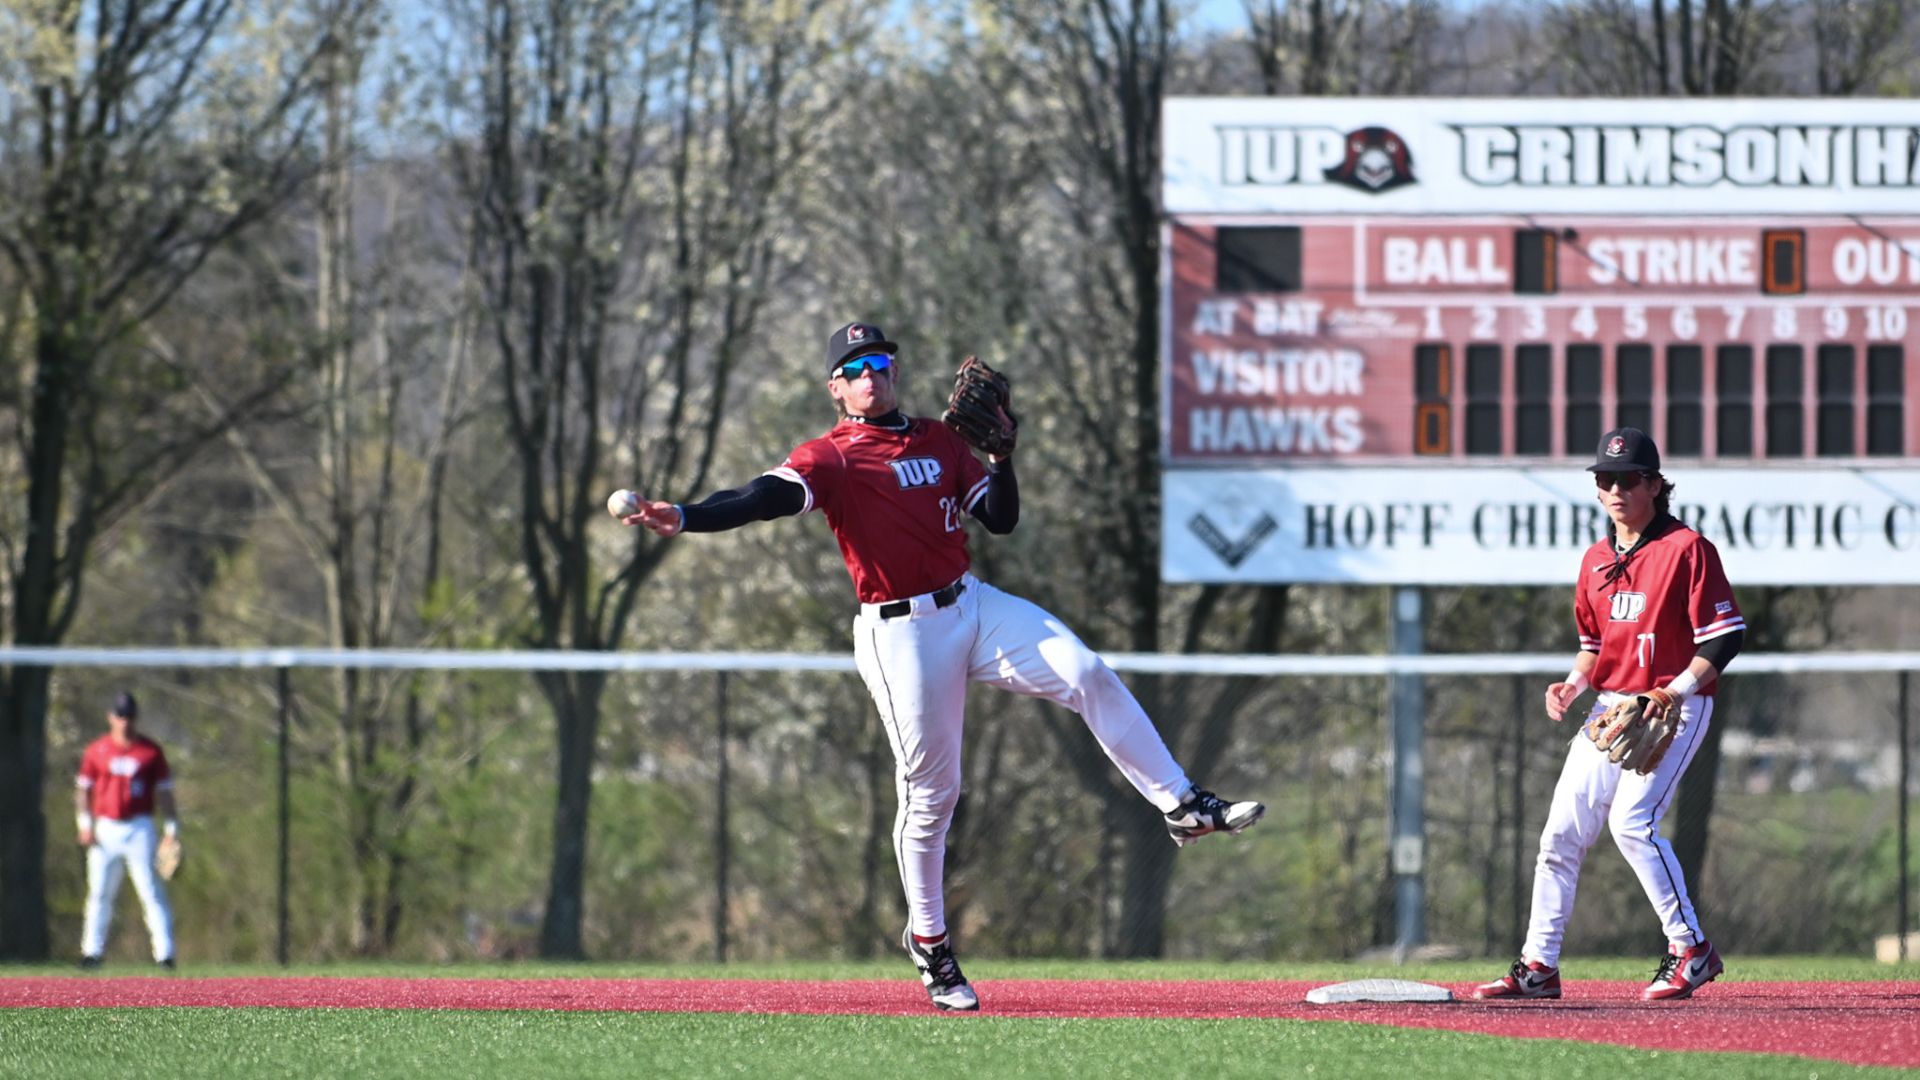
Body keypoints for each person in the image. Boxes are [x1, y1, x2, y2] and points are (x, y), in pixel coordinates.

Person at [617, 321, 1264, 1011]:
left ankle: (1182, 804)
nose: (870, 376)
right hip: (902, 634)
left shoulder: (941, 439)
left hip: (971, 604)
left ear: (894, 371)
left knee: (1087, 673)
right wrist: (685, 515)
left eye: (879, 362)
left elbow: (1002, 520)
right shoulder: (831, 457)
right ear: (836, 388)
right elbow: (757, 498)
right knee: (933, 794)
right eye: (854, 369)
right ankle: (930, 944)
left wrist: (1001, 457)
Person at [1475, 427, 1743, 1002]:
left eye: (1628, 478)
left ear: (1654, 485)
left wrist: (1672, 692)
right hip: (1611, 708)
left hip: (1675, 707)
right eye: (1605, 479)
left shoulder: (1687, 549)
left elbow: (1725, 638)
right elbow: (1593, 645)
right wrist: (1573, 684)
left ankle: (1692, 949)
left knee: (1632, 823)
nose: (1616, 489)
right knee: (1559, 835)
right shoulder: (1596, 560)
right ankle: (1539, 965)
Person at [75, 691, 179, 969]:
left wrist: (171, 830)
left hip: (139, 827)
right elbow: (83, 790)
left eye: (129, 715)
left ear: (135, 717)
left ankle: (165, 955)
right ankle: (91, 953)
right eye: (120, 715)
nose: (125, 721)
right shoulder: (97, 750)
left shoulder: (150, 751)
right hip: (105, 828)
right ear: (111, 717)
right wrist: (85, 825)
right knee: (99, 892)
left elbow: (165, 793)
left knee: (151, 891)